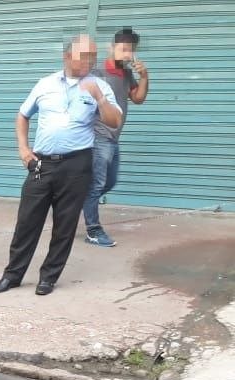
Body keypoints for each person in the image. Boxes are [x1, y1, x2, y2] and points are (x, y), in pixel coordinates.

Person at [0, 34, 122, 296]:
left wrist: (101, 99)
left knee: (65, 224)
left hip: (77, 165)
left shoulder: (99, 86)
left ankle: (48, 277)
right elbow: (22, 115)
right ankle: (13, 275)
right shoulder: (45, 84)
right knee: (27, 222)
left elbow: (114, 121)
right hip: (41, 164)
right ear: (67, 55)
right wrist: (23, 149)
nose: (88, 61)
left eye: (93, 56)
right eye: (83, 55)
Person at [82, 27, 149, 247]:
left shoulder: (127, 74)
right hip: (98, 135)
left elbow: (138, 99)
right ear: (112, 48)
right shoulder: (98, 72)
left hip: (113, 138)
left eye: (131, 50)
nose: (128, 54)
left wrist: (145, 76)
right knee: (97, 183)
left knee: (109, 182)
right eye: (124, 49)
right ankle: (93, 230)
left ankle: (74, 203)